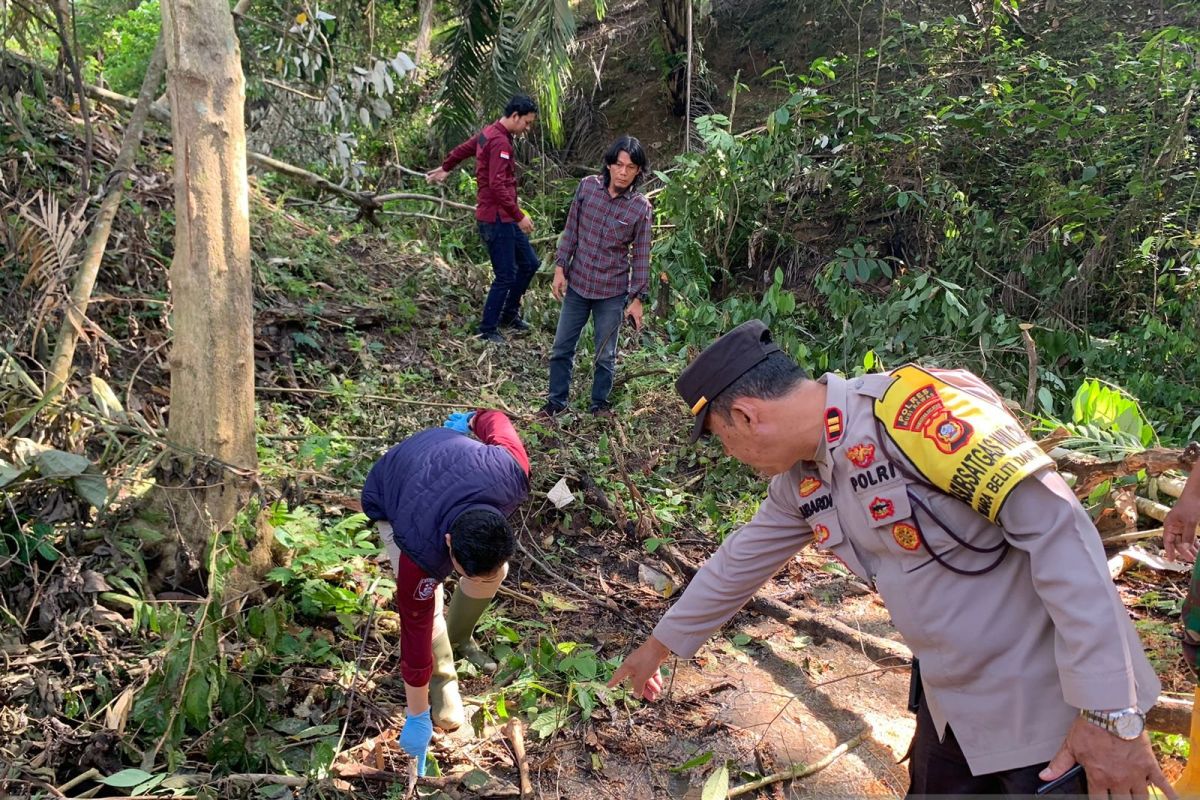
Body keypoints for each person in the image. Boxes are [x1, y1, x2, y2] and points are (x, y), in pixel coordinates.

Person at [607, 319, 1175, 797]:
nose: (735, 457)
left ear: (749, 416)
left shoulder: (917, 415)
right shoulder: (804, 479)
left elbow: (1062, 532)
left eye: (723, 440)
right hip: (951, 713)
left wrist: (1110, 713)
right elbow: (737, 565)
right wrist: (654, 651)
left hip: (1049, 716)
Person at [361, 409, 530, 775]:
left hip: (446, 459)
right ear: (448, 543)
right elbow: (415, 625)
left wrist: (471, 419)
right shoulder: (418, 548)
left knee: (495, 574)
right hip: (393, 489)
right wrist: (417, 714)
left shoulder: (512, 473)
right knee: (428, 601)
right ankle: (444, 681)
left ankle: (459, 638)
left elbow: (495, 419)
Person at [539, 136, 652, 418]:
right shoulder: (587, 188)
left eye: (631, 167)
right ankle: (556, 403)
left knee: (605, 355)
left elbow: (641, 255)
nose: (623, 172)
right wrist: (560, 268)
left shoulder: (640, 208)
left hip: (611, 292)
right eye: (619, 164)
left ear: (638, 171)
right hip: (578, 285)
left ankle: (599, 405)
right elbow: (572, 231)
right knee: (561, 348)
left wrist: (637, 298)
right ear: (609, 164)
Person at [427, 95, 540, 343]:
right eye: (527, 123)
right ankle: (488, 329)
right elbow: (497, 186)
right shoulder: (499, 142)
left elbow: (465, 148)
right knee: (506, 275)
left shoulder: (489, 133)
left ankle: (509, 315)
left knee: (530, 263)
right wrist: (519, 216)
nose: (527, 129)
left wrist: (446, 167)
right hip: (497, 219)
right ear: (514, 116)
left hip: (505, 217)